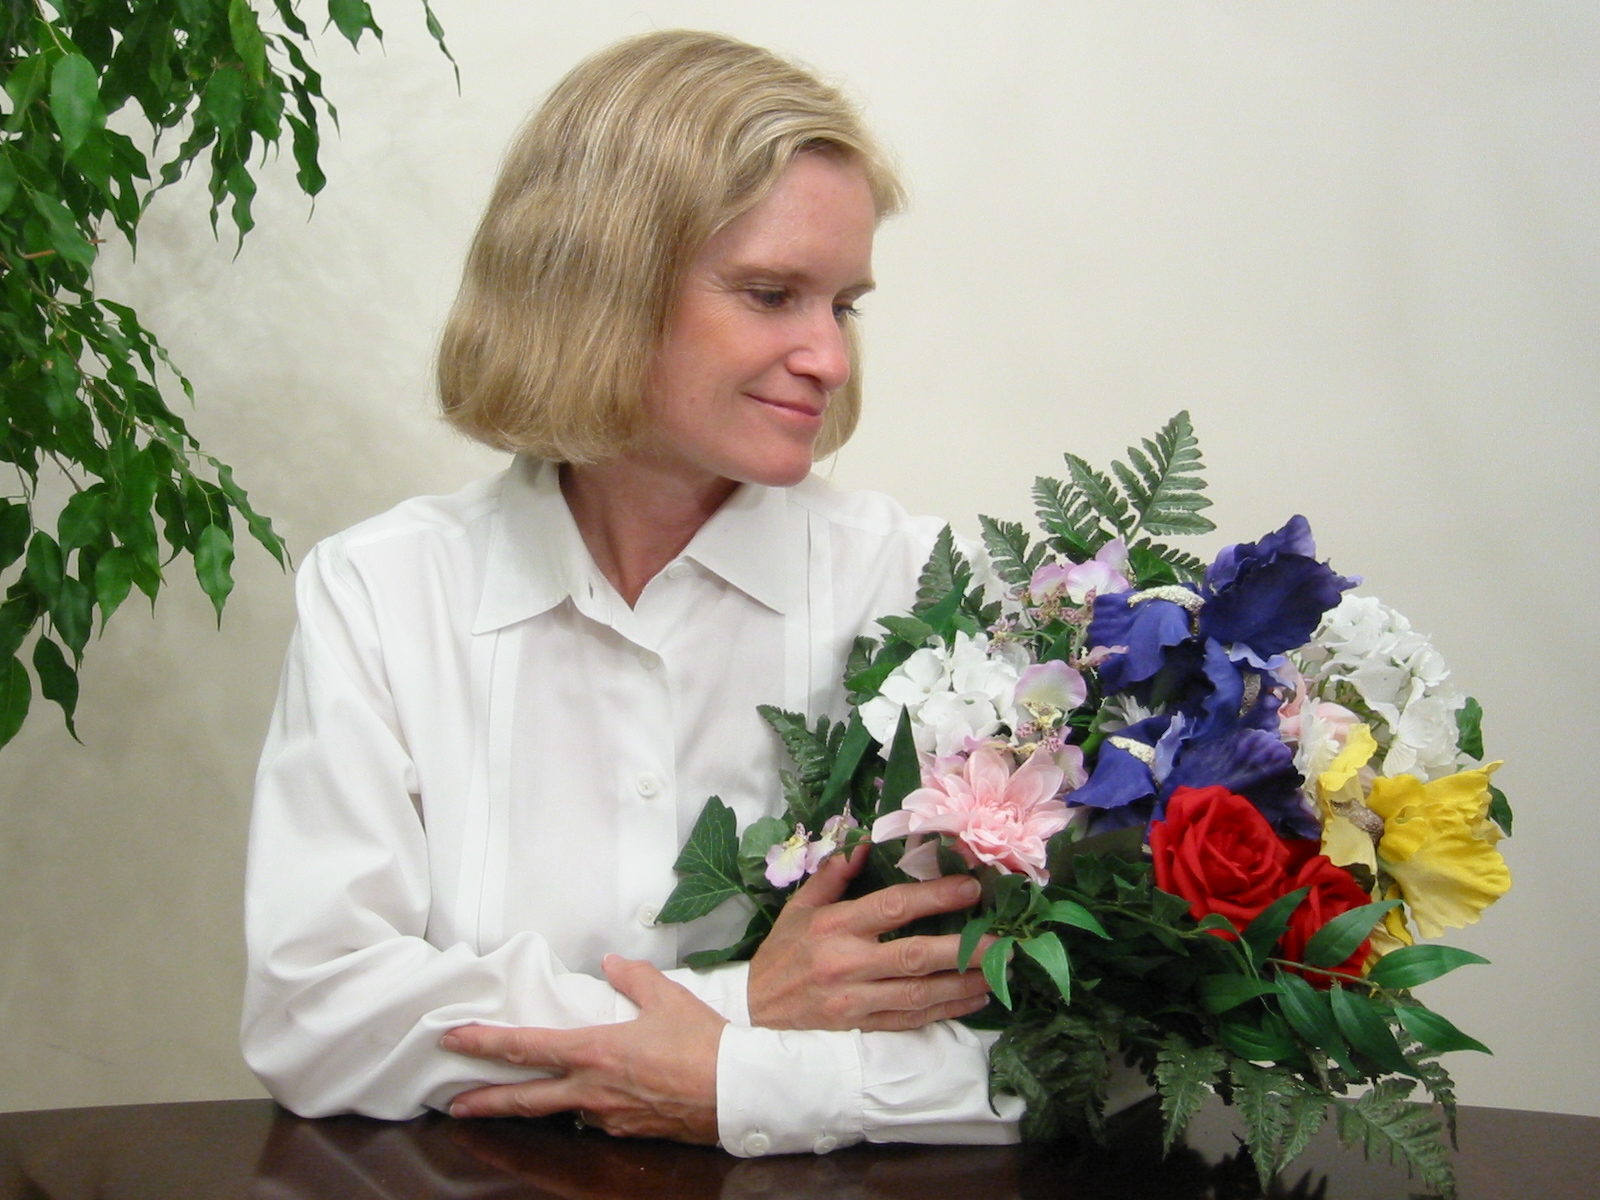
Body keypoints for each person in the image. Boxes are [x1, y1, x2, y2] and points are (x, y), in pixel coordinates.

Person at [241, 30, 1022, 1156]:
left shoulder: (929, 594)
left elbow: (1072, 1055)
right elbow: (314, 1020)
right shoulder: (382, 592)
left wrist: (737, 1084)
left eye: (842, 305)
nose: (831, 359)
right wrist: (742, 1007)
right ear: (596, 285)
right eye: (771, 294)